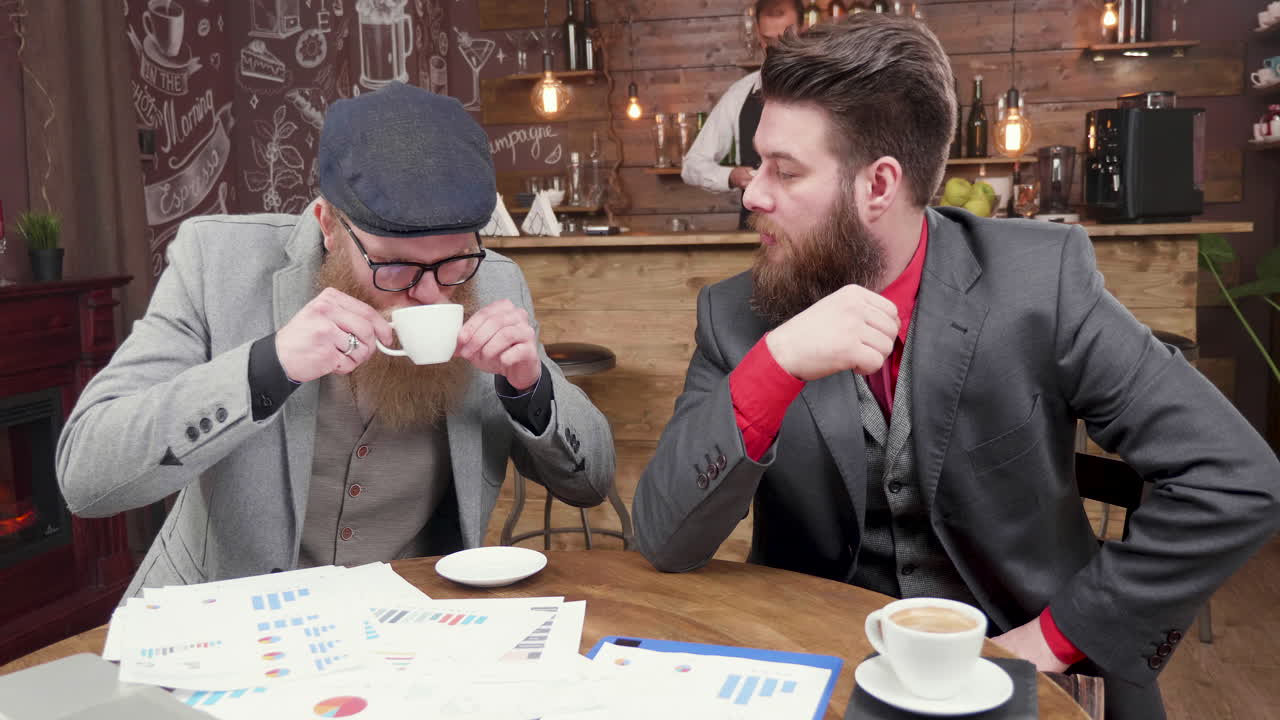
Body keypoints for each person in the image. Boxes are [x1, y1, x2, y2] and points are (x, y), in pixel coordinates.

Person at [634, 15, 1279, 719]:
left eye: (785, 171)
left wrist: (1052, 641)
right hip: (825, 677)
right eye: (758, 164)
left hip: (1031, 678)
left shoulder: (1040, 282)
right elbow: (664, 538)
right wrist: (776, 363)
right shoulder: (737, 316)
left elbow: (1236, 476)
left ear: (879, 184)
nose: (753, 193)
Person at [57, 82, 616, 599]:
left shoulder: (493, 281)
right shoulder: (215, 262)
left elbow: (591, 484)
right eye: (395, 267)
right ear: (328, 224)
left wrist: (530, 388)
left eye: (452, 263)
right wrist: (265, 367)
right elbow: (86, 476)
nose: (427, 293)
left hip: (408, 623)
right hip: (220, 621)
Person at [680, 0, 802, 229]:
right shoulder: (739, 94)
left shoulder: (827, 90)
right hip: (755, 235)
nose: (777, 49)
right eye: (769, 41)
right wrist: (732, 176)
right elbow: (692, 166)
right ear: (758, 35)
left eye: (785, 39)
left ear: (803, 31)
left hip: (814, 235)